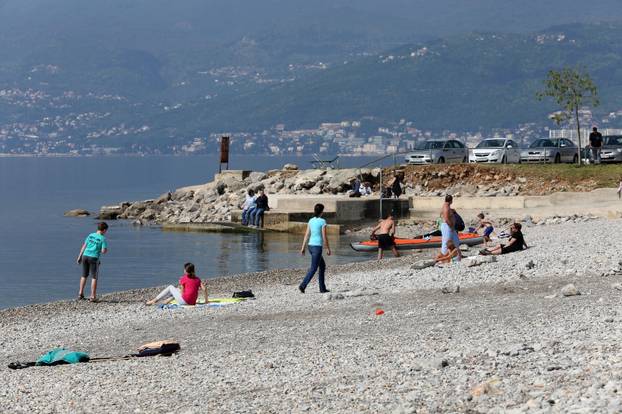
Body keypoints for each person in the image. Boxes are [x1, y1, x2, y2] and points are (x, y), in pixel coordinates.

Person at [298, 203, 330, 293]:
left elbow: (307, 234)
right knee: (314, 268)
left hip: (310, 247)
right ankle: (302, 285)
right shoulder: (322, 221)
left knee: (322, 266)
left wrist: (303, 247)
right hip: (317, 247)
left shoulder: (311, 220)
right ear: (322, 211)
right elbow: (324, 236)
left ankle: (322, 288)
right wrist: (327, 248)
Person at [76, 222, 109, 302]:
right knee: (94, 277)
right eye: (106, 230)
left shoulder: (90, 235)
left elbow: (84, 246)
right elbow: (103, 251)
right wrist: (105, 249)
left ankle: (80, 294)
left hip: (85, 256)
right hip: (93, 258)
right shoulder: (102, 238)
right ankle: (93, 296)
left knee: (84, 275)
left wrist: (79, 257)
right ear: (104, 230)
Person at [440, 195, 462, 260]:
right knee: (446, 242)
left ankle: (456, 255)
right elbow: (446, 219)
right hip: (447, 226)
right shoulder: (446, 207)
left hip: (450, 227)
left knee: (456, 240)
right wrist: (451, 226)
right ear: (451, 200)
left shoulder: (448, 207)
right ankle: (444, 256)